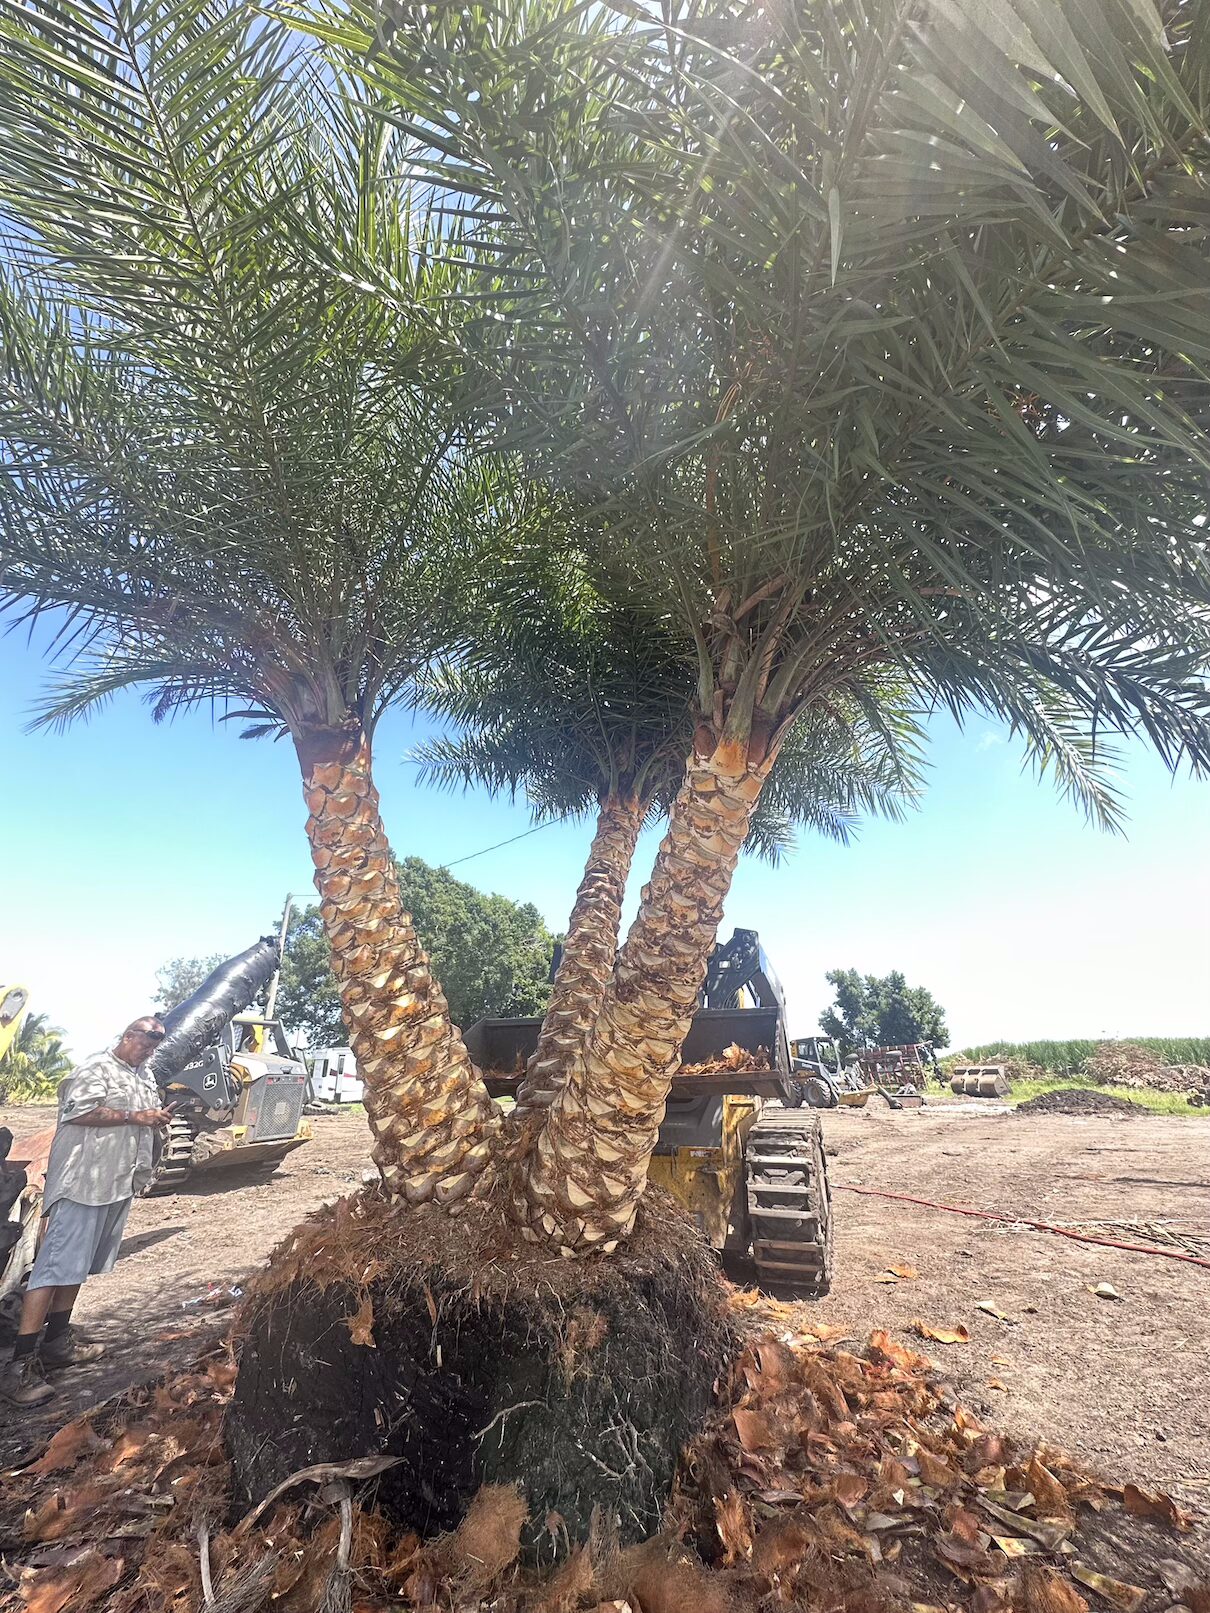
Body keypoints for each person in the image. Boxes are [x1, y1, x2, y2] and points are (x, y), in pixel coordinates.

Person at [0, 1017, 171, 1406]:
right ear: (128, 1036)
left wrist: (155, 1120)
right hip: (82, 1185)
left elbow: (144, 1116)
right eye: (146, 1040)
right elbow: (78, 1112)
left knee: (77, 1267)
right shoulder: (97, 1068)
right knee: (53, 1268)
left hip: (115, 1183)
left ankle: (57, 1342)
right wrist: (134, 1117)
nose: (150, 1048)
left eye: (156, 1043)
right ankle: (19, 1367)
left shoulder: (142, 1076)